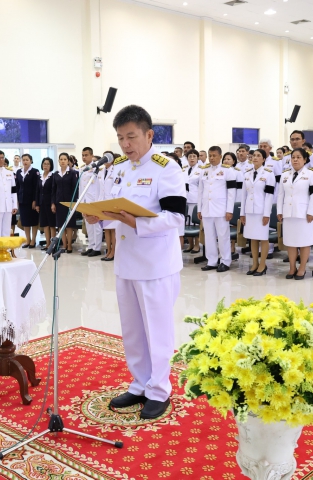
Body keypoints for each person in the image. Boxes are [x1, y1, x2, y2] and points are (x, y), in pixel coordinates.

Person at [83, 105, 186, 420]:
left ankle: (159, 390)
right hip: (127, 262)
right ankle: (140, 384)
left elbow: (175, 217)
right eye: (120, 138)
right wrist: (98, 217)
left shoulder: (166, 168)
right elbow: (115, 212)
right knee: (133, 330)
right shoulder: (119, 168)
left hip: (156, 265)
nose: (125, 144)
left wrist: (136, 222)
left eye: (131, 137)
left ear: (149, 134)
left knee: (157, 331)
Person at [278, 148, 313, 280]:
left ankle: (302, 268)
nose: (295, 160)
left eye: (298, 157)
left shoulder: (311, 174)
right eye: (293, 157)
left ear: (305, 159)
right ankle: (292, 267)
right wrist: (279, 211)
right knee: (290, 242)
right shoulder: (285, 175)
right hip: (288, 213)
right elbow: (280, 195)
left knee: (304, 241)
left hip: (303, 213)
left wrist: (311, 212)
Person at [197, 146, 237, 272]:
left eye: (214, 155)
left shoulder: (228, 170)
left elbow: (231, 192)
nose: (212, 158)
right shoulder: (204, 170)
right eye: (210, 155)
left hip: (221, 209)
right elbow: (200, 191)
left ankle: (225, 261)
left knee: (223, 236)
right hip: (207, 208)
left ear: (220, 156)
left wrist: (229, 210)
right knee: (209, 236)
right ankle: (212, 261)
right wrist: (199, 209)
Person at [240, 148, 275, 275]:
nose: (255, 157)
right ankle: (255, 263)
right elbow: (243, 195)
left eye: (258, 155)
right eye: (254, 155)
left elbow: (269, 196)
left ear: (264, 159)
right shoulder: (247, 174)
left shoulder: (268, 174)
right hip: (249, 211)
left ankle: (262, 264)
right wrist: (242, 213)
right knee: (253, 238)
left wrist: (266, 214)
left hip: (261, 211)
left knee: (263, 238)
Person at [51, 153, 79, 253]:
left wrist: (73, 203)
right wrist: (53, 203)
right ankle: (64, 244)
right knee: (61, 225)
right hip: (59, 202)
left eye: (65, 159)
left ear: (68, 161)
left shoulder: (72, 173)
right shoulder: (56, 174)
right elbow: (53, 190)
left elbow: (75, 189)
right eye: (61, 159)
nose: (63, 161)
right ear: (58, 161)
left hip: (69, 202)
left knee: (69, 225)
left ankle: (69, 245)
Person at [79, 147, 103, 256]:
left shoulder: (97, 168)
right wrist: (80, 201)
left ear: (91, 156)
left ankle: (97, 248)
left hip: (94, 200)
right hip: (85, 200)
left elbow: (99, 187)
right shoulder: (82, 169)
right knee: (88, 225)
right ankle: (91, 246)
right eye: (83, 155)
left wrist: (98, 201)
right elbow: (81, 187)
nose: (84, 157)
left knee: (96, 225)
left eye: (86, 155)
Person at [15, 153, 40, 248]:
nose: (25, 161)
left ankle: (33, 240)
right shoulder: (19, 172)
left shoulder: (35, 171)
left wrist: (35, 200)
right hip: (22, 200)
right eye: (23, 160)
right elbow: (17, 186)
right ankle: (28, 240)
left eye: (27, 160)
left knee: (33, 221)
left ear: (31, 161)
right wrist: (17, 199)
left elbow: (36, 187)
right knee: (25, 221)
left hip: (31, 200)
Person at [184, 149, 203, 254]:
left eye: (194, 156)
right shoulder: (183, 169)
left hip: (195, 199)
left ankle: (197, 245)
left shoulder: (201, 170)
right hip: (185, 199)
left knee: (195, 222)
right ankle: (190, 244)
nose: (192, 158)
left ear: (197, 158)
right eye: (190, 157)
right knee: (187, 222)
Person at [100, 153, 118, 261]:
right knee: (106, 229)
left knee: (113, 230)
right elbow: (100, 189)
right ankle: (108, 250)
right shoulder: (101, 171)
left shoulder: (115, 170)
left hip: (112, 204)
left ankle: (114, 251)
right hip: (103, 203)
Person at [36, 157, 55, 250]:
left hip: (50, 203)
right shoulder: (40, 176)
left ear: (51, 166)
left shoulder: (53, 176)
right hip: (42, 203)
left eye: (48, 164)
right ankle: (47, 244)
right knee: (45, 225)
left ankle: (53, 245)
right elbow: (37, 191)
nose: (46, 166)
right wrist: (37, 204)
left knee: (52, 224)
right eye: (44, 164)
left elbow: (53, 191)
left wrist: (53, 203)